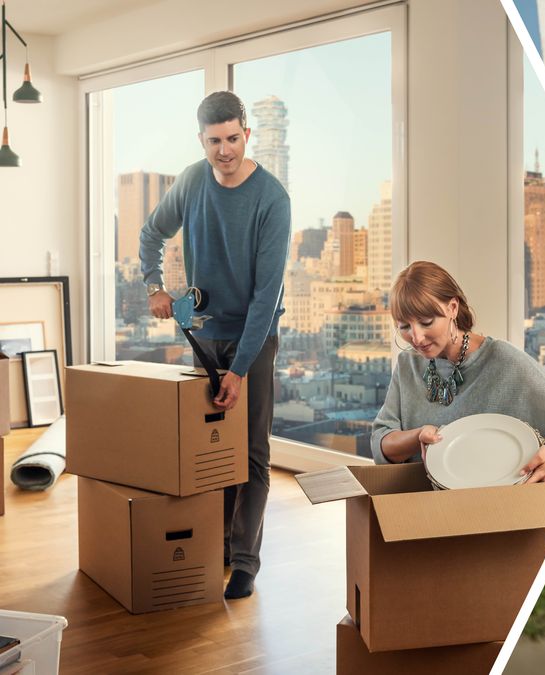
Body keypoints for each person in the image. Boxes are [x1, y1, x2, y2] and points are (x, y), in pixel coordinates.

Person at [140, 91, 290, 600]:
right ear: (201, 141)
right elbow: (150, 234)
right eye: (214, 141)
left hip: (255, 337)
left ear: (246, 134)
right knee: (210, 449)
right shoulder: (190, 181)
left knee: (250, 454)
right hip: (203, 334)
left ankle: (245, 562)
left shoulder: (272, 198)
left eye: (232, 138)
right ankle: (220, 545)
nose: (224, 150)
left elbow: (267, 295)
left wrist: (242, 368)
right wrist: (153, 285)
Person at [371, 261, 545, 484]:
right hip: (421, 508)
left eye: (426, 322)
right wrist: (418, 436)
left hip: (495, 511)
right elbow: (381, 441)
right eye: (404, 327)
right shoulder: (407, 364)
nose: (417, 337)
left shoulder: (502, 360)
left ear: (452, 308)